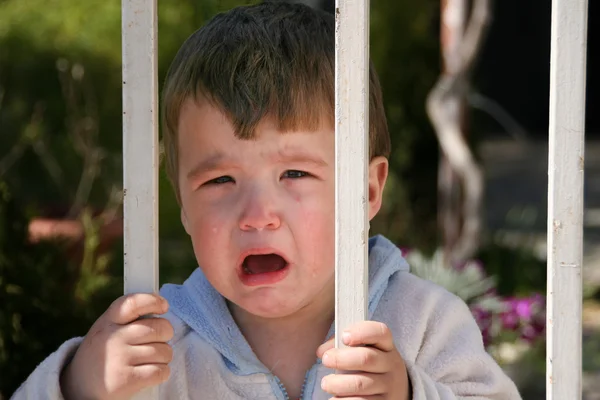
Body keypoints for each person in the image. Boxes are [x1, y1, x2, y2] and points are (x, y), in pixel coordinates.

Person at [13, 2, 521, 399]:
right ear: (182, 205)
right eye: (219, 182)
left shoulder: (423, 321)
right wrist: (79, 386)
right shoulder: (158, 346)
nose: (257, 215)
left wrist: (411, 394)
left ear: (367, 191)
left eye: (295, 173)